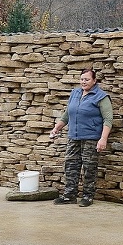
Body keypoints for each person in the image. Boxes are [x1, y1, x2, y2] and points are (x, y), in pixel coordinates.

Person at [49, 68, 113, 207]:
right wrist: (56, 128)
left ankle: (87, 197)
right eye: (82, 79)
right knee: (71, 165)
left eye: (87, 79)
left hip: (91, 137)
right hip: (74, 136)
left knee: (89, 167)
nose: (84, 82)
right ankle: (69, 195)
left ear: (94, 81)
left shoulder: (101, 96)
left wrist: (103, 139)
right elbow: (67, 115)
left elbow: (108, 119)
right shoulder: (75, 93)